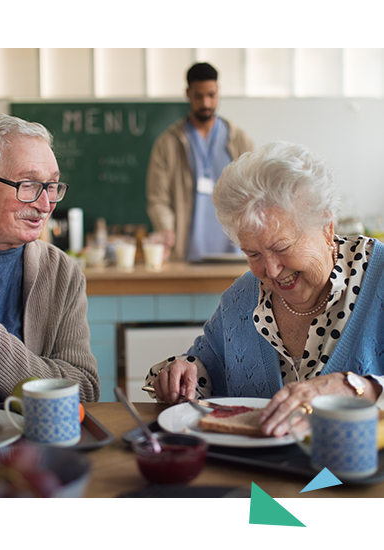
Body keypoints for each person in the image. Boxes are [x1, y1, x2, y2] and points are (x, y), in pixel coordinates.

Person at [144, 141, 384, 436]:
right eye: (253, 254)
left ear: (326, 227)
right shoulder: (243, 297)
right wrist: (186, 374)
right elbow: (207, 365)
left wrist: (360, 388)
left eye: (281, 247)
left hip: (353, 480)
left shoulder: (380, 276)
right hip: (259, 480)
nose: (270, 271)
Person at [0, 112, 99, 408]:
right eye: (28, 185)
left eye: (51, 186)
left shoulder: (63, 273)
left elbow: (83, 393)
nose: (45, 205)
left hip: (25, 450)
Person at [146, 62, 254, 261]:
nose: (206, 103)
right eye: (198, 96)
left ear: (218, 92)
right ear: (187, 93)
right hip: (187, 255)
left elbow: (256, 194)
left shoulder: (239, 140)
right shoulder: (168, 144)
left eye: (211, 95)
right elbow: (158, 199)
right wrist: (166, 228)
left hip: (235, 254)